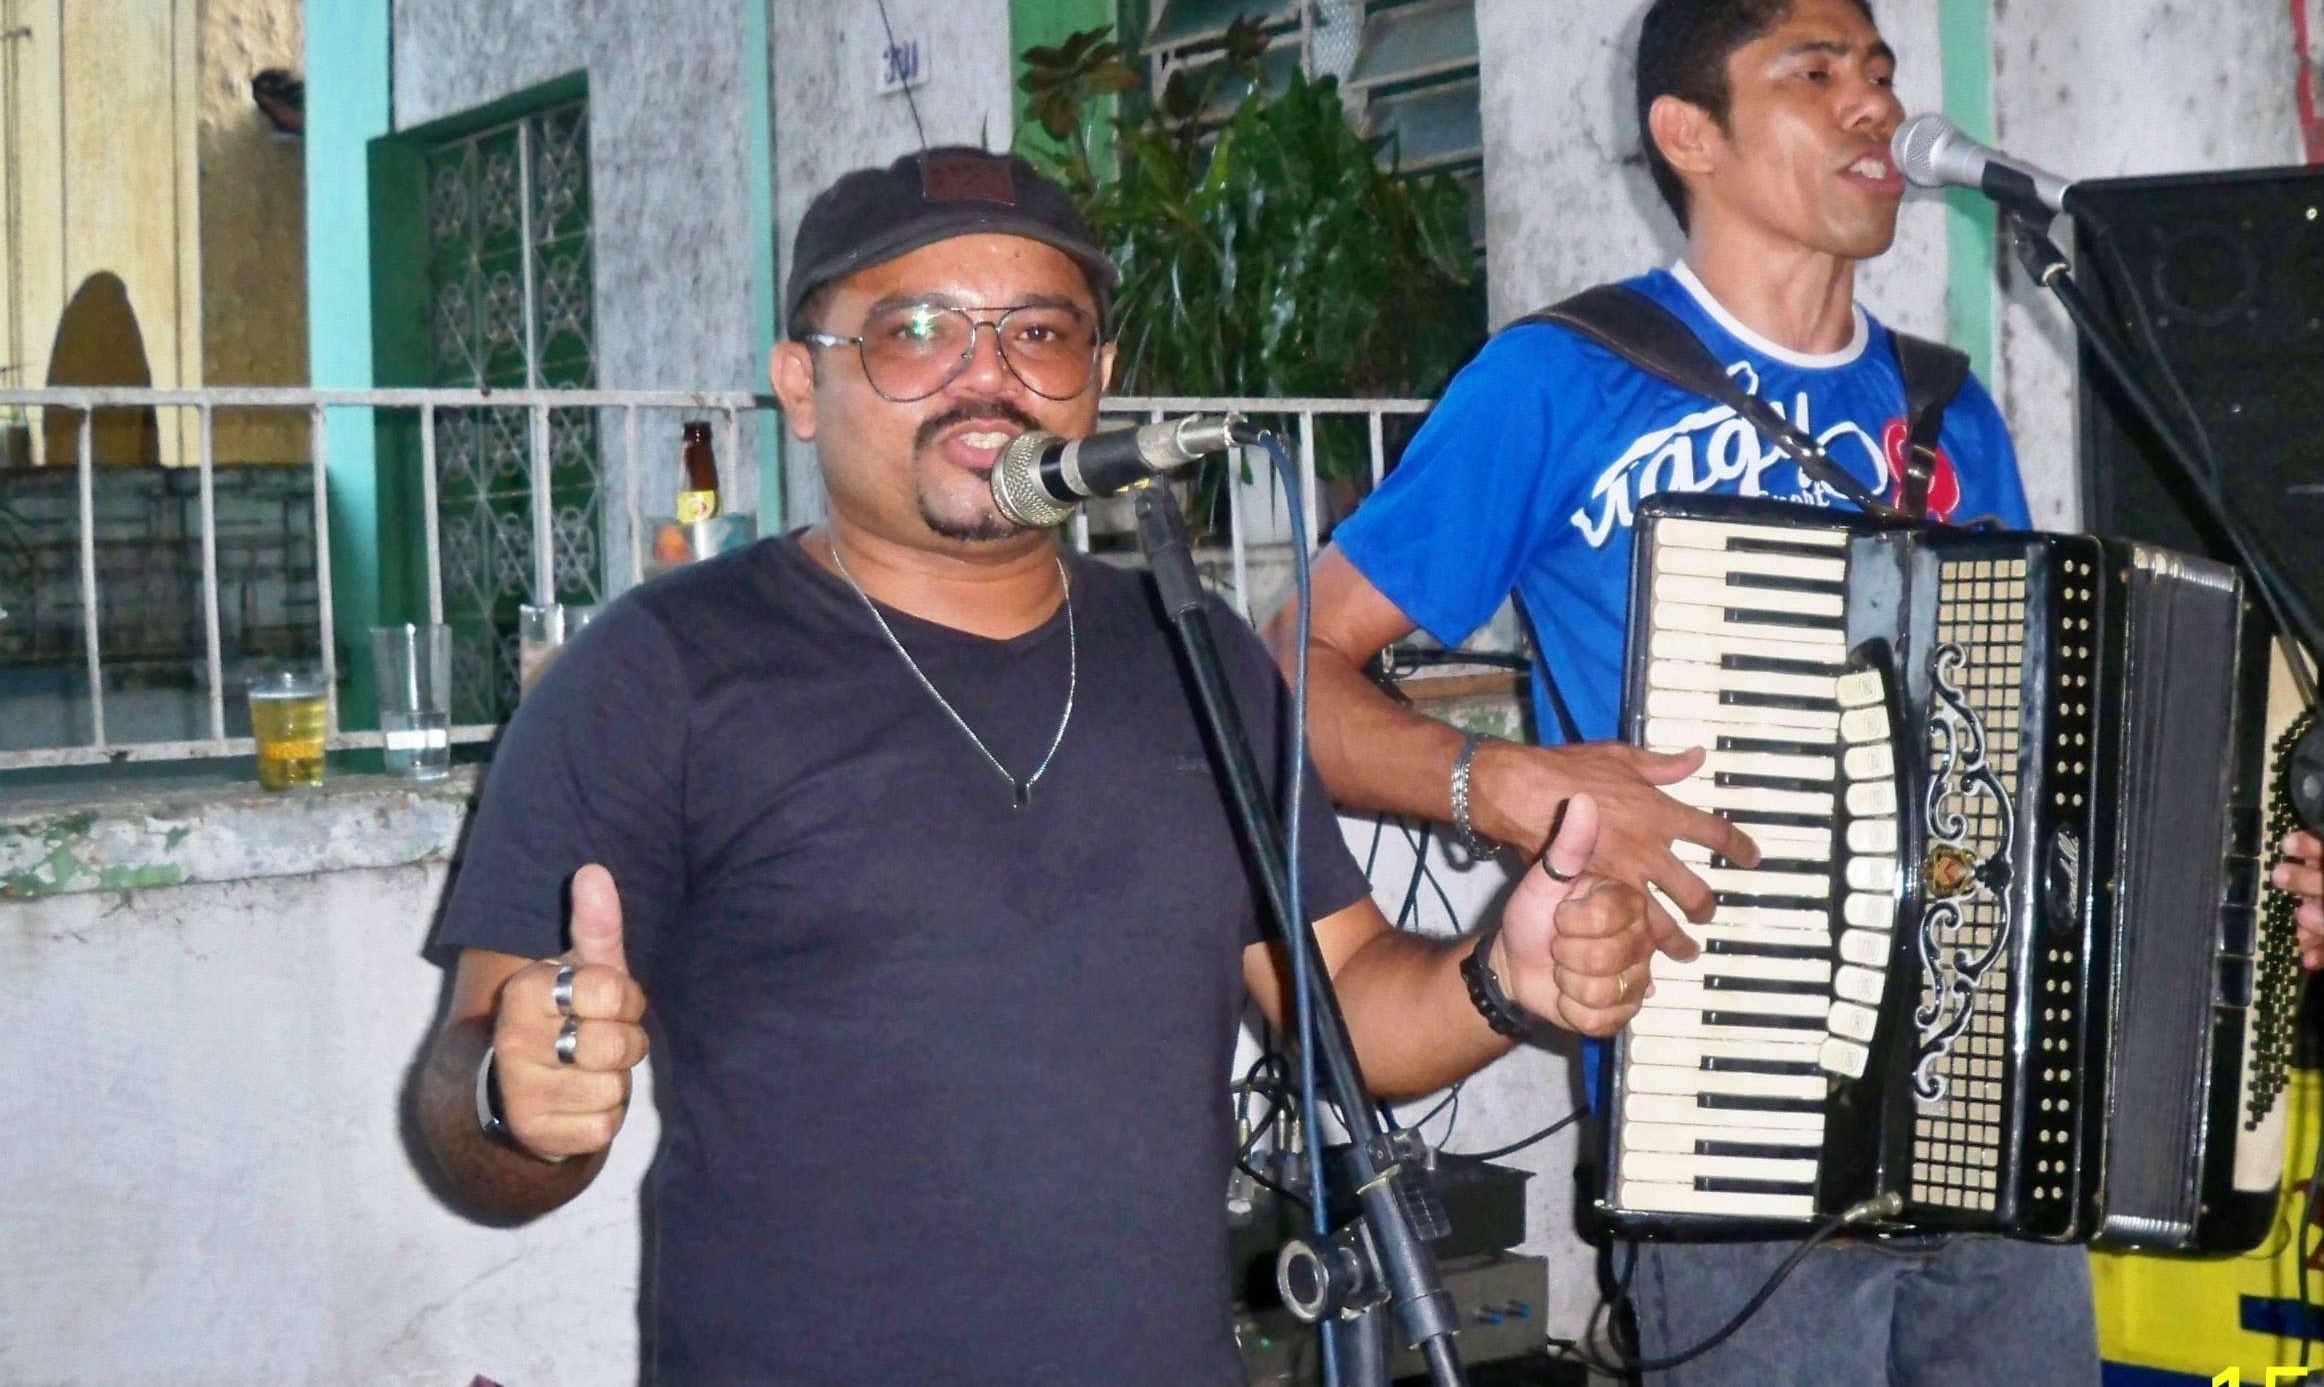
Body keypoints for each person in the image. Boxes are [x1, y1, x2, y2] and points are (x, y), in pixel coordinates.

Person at [409, 145, 1669, 1385]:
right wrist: (517, 1102)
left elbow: (1349, 1010)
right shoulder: (658, 671)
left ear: (1097, 379)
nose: (988, 377)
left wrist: (1506, 976)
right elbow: (467, 1114)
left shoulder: (1196, 651)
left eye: (1039, 333)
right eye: (916, 331)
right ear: (802, 382)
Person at [1268, 0, 2324, 1384]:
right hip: (1724, 1128)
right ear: (1689, 134)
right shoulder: (1559, 382)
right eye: (1815, 70)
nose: (1874, 104)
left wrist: (2228, 903)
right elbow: (1287, 669)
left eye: (1881, 71)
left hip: (1989, 1114)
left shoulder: (1946, 412)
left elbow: (2042, 771)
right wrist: (1504, 786)